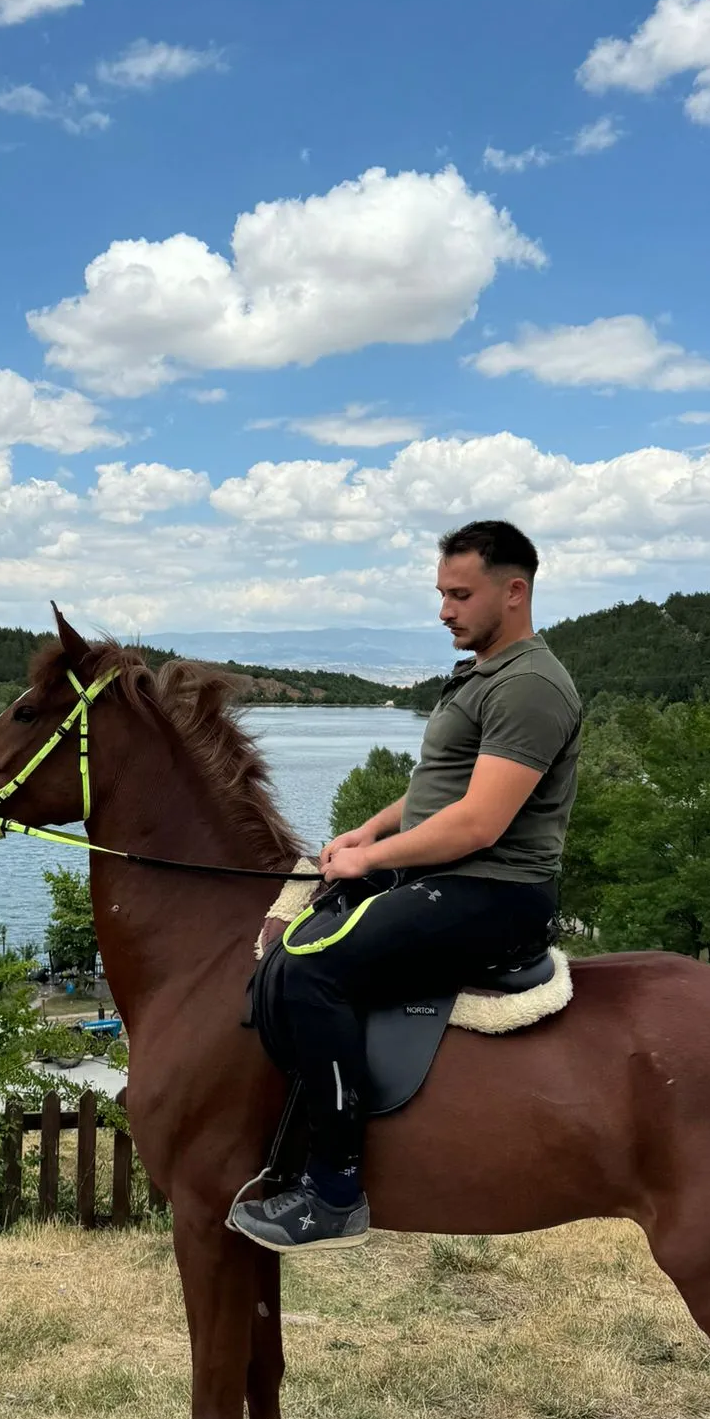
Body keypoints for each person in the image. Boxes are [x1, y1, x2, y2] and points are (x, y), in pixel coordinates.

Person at [230, 520, 582, 1253]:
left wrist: (368, 863)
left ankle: (333, 1190)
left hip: (494, 890)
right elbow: (440, 790)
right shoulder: (484, 672)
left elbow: (480, 823)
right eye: (441, 593)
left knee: (310, 970)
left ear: (514, 592)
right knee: (304, 920)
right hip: (449, 872)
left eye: (460, 594)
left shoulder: (531, 687)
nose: (445, 611)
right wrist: (370, 833)